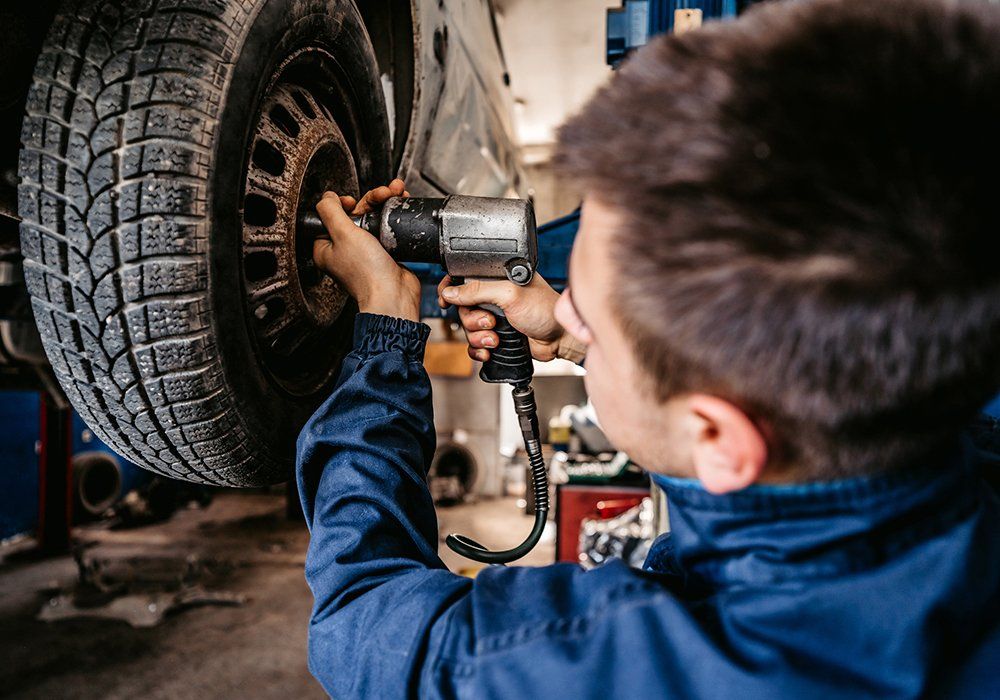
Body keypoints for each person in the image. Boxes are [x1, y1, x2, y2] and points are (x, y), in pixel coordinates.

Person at [296, 0, 1000, 696]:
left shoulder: (652, 670)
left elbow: (365, 614)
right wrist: (583, 339)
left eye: (588, 314)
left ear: (720, 436)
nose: (561, 303)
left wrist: (386, 336)